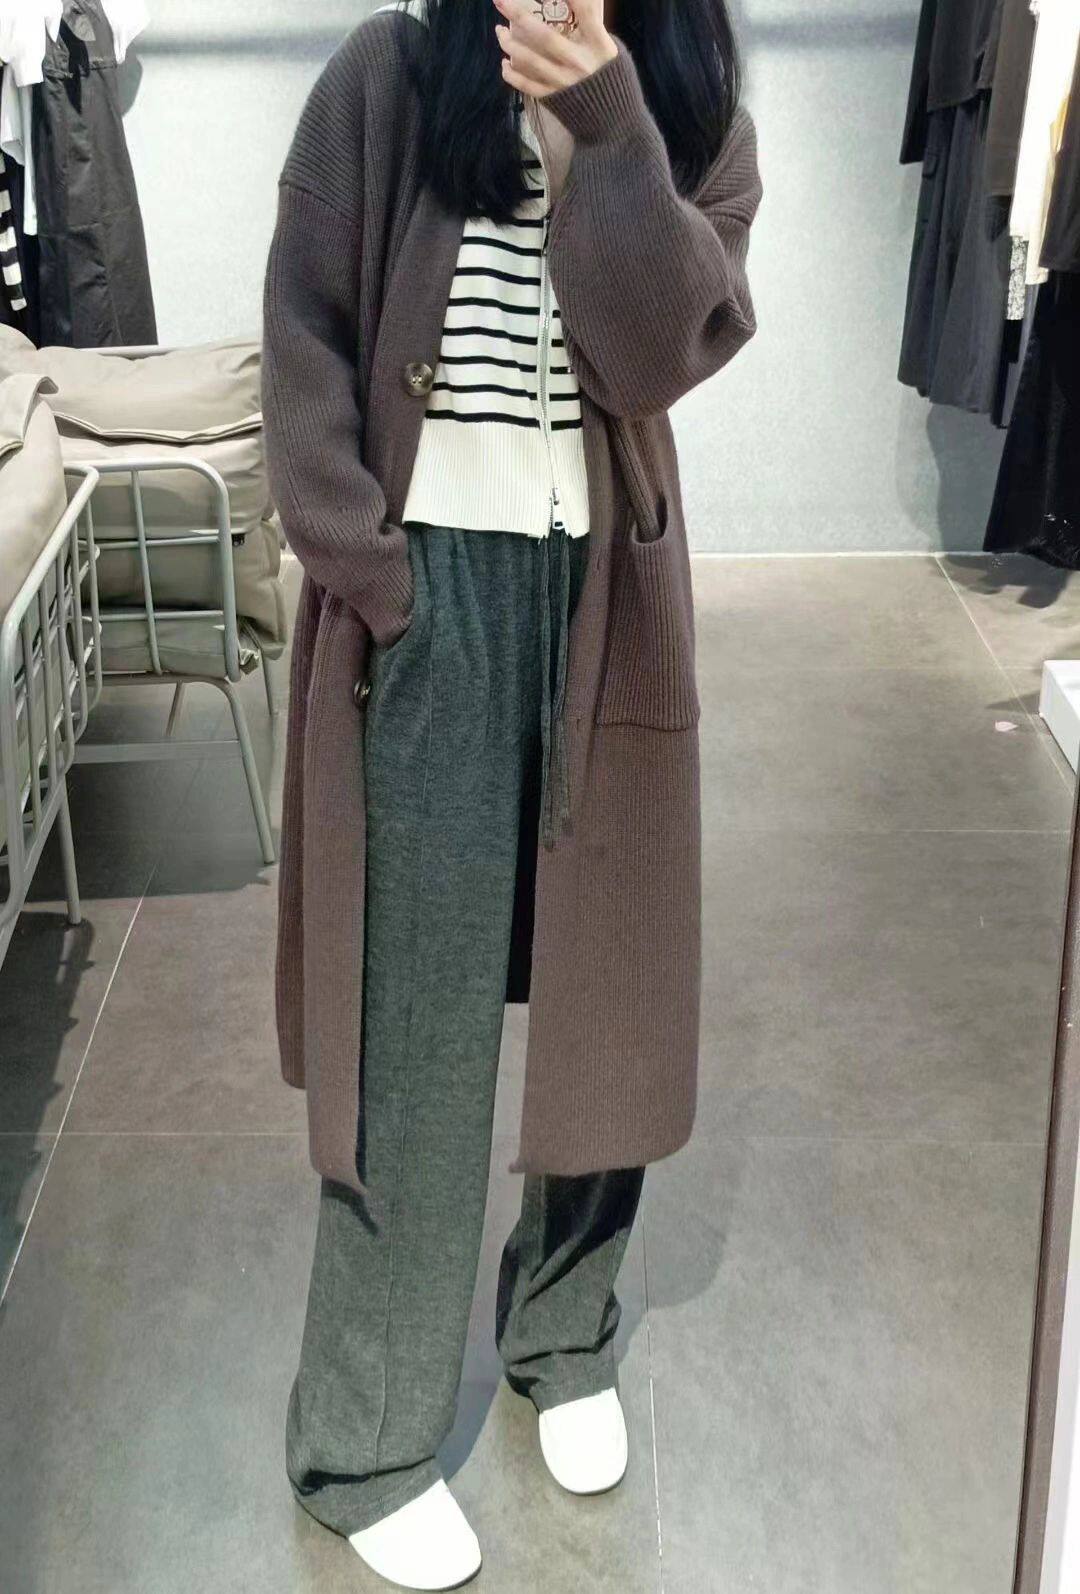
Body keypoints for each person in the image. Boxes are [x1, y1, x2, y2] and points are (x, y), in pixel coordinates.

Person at [261, 0, 761, 1586]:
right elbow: (304, 338)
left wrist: (610, 122)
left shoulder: (691, 102)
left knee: (611, 992)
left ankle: (563, 1328)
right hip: (430, 599)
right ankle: (364, 1435)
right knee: (413, 1023)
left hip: (611, 590)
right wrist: (371, 571)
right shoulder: (388, 78)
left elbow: (662, 353)